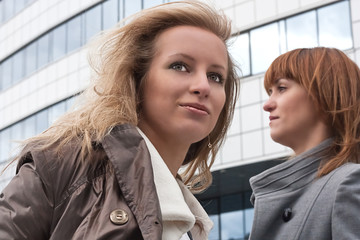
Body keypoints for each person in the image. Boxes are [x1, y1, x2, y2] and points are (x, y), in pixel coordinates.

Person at [0, 1, 240, 239]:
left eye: (215, 76)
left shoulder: (192, 221)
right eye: (180, 66)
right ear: (137, 79)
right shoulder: (61, 163)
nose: (203, 86)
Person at [249, 47, 360, 240]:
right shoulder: (292, 190)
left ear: (324, 92)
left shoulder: (348, 183)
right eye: (270, 92)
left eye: (281, 88)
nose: (267, 104)